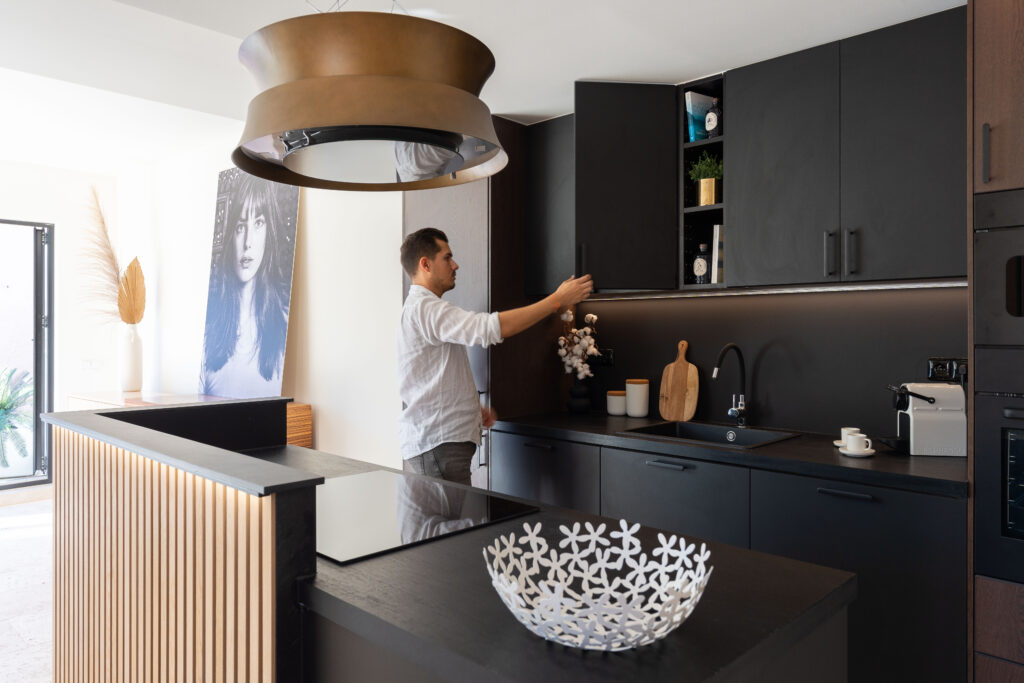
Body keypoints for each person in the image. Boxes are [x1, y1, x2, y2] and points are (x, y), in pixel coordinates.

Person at [398, 227, 594, 485]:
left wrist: (470, 407)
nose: (455, 265)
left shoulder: (420, 308)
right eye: (447, 257)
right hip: (439, 444)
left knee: (447, 513)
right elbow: (489, 328)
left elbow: (429, 373)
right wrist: (556, 300)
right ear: (425, 264)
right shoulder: (426, 308)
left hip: (438, 442)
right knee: (448, 514)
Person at [200, 172, 296, 398]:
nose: (248, 242)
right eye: (241, 227)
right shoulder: (209, 339)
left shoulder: (283, 331)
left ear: (269, 232)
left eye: (258, 223)